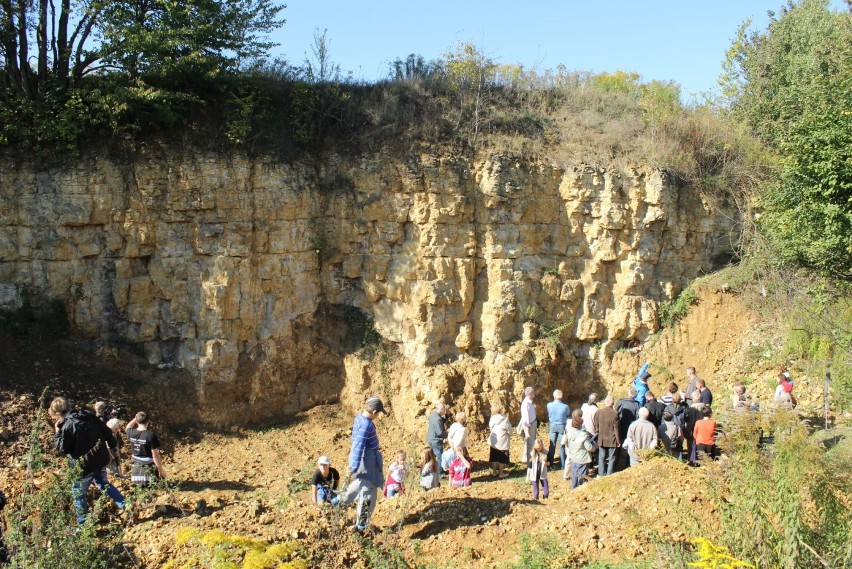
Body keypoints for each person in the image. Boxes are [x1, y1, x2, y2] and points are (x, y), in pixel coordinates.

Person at [49, 396, 125, 524]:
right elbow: (106, 431)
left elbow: (63, 449)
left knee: (78, 494)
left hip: (83, 467)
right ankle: (126, 505)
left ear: (57, 414)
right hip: (100, 458)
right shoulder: (88, 414)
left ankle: (83, 525)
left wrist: (57, 433)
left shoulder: (67, 426)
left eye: (55, 417)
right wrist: (113, 445)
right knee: (103, 483)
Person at [342, 396, 386, 531]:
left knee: (361, 483)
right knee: (369, 493)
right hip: (367, 462)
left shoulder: (359, 419)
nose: (379, 415)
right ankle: (361, 527)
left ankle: (339, 501)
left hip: (365, 462)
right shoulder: (366, 425)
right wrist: (353, 466)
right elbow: (358, 445)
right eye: (379, 413)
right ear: (374, 412)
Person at [126, 411, 165, 485]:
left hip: (136, 470)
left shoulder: (131, 432)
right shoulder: (150, 435)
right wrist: (161, 471)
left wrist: (136, 417)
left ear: (137, 421)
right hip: (148, 469)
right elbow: (155, 456)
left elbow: (128, 427)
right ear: (148, 421)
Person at [563, 410, 595, 489]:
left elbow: (566, 443)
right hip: (582, 458)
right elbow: (589, 448)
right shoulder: (583, 435)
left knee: (574, 474)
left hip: (574, 456)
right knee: (582, 475)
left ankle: (573, 487)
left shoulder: (569, 432)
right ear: (580, 425)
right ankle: (580, 489)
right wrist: (595, 447)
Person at [593, 395, 620, 477]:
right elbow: (616, 429)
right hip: (612, 439)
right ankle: (609, 475)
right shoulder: (615, 414)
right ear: (613, 403)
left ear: (605, 402)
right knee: (611, 458)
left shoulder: (599, 412)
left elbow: (595, 424)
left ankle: (601, 474)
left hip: (602, 438)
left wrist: (598, 431)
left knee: (601, 457)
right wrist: (618, 441)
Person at [615, 387, 640, 470]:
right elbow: (638, 417)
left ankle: (616, 462)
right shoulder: (637, 404)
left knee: (619, 443)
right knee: (630, 444)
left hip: (620, 426)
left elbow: (616, 413)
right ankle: (627, 464)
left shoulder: (621, 402)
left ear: (628, 394)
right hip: (631, 427)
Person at [546, 390, 569, 468]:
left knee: (552, 444)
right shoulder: (565, 406)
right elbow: (567, 415)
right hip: (562, 426)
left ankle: (550, 462)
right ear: (561, 397)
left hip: (552, 425)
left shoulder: (549, 405)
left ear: (554, 396)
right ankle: (562, 464)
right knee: (561, 445)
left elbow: (549, 413)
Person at [488, 405, 512, 478]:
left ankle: (494, 472)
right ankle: (501, 473)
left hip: (494, 441)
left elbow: (490, 428)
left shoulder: (492, 419)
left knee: (494, 457)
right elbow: (510, 429)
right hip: (502, 440)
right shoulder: (505, 419)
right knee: (502, 457)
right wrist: (509, 435)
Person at [517, 386, 538, 467]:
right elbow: (525, 418)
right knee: (531, 443)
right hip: (530, 425)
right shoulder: (526, 403)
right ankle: (530, 462)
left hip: (531, 423)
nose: (534, 395)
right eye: (533, 394)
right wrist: (528, 427)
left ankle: (525, 458)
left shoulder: (529, 402)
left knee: (528, 442)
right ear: (529, 394)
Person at [426, 403, 448, 475]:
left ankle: (433, 471)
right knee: (440, 457)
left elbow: (440, 421)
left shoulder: (433, 415)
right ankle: (440, 473)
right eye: (444, 410)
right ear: (442, 411)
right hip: (435, 441)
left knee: (433, 457)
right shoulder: (438, 419)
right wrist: (448, 433)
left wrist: (446, 415)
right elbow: (440, 433)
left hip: (430, 439)